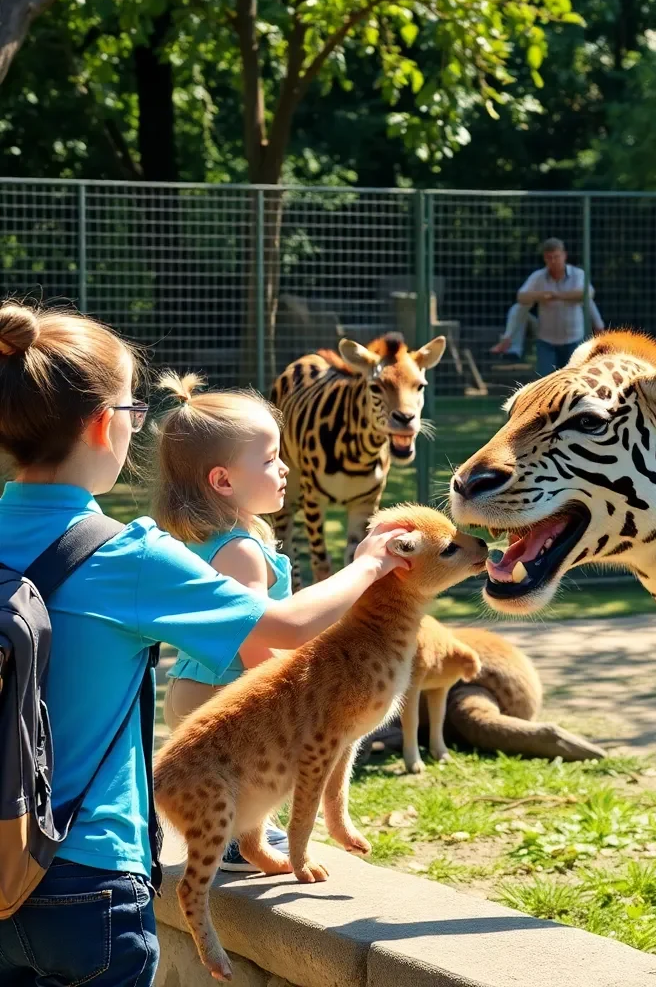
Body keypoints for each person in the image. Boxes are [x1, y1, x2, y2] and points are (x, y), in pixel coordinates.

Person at [0, 301, 408, 987]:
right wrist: (368, 562)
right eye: (133, 414)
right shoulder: (125, 556)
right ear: (105, 426)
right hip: (89, 871)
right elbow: (283, 629)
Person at [153, 372, 292, 873]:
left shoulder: (211, 538)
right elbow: (254, 643)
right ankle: (234, 839)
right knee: (248, 768)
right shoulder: (241, 552)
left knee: (232, 771)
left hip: (192, 684)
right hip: (223, 690)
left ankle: (235, 832)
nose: (284, 469)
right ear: (224, 480)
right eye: (271, 459)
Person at [490, 237, 605, 376]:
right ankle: (510, 341)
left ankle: (600, 328)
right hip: (546, 341)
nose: (553, 261)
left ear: (564, 255)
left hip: (574, 340)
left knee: (573, 383)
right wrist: (540, 296)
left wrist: (556, 296)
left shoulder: (577, 274)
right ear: (544, 259)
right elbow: (521, 297)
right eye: (549, 258)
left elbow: (588, 294)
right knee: (545, 383)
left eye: (556, 257)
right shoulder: (538, 277)